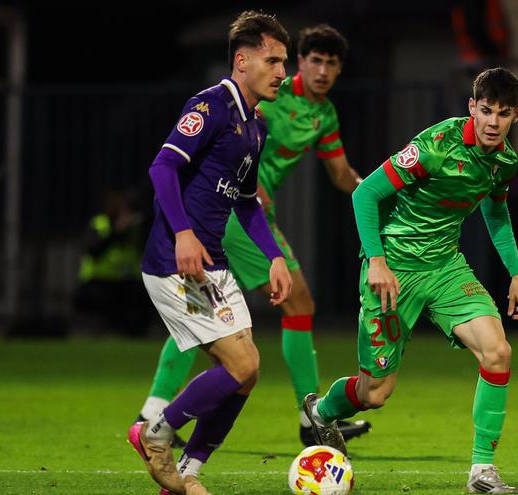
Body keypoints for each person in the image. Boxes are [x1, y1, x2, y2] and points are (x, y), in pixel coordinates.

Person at [135, 23, 370, 449]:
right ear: (300, 62)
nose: (321, 71)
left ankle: (153, 413)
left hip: (250, 213)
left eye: (331, 64)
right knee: (294, 304)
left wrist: (376, 191)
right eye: (313, 60)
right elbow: (195, 159)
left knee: (202, 311)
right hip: (233, 216)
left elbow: (340, 174)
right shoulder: (266, 99)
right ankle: (311, 415)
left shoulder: (325, 115)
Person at [303, 67, 518, 494]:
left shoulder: (504, 162)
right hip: (393, 272)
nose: (492, 122)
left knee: (497, 352)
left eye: (502, 114)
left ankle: (482, 471)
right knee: (375, 393)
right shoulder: (435, 146)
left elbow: (496, 213)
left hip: (445, 268)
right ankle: (323, 410)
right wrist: (375, 260)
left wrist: (516, 272)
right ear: (471, 108)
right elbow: (365, 193)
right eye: (485, 111)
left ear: (516, 115)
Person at [127, 11, 293, 495]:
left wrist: (274, 256)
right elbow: (162, 170)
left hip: (212, 262)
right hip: (173, 262)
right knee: (242, 366)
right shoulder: (211, 106)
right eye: (273, 60)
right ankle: (155, 431)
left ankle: (186, 476)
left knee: (245, 376)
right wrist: (181, 232)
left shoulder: (254, 126)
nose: (282, 72)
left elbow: (247, 202)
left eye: (284, 62)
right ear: (242, 61)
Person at [73, 189, 150, 335]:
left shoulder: (132, 229)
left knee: (141, 296)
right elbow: (94, 250)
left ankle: (136, 333)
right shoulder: (99, 223)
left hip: (124, 282)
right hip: (98, 280)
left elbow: (139, 250)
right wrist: (116, 231)